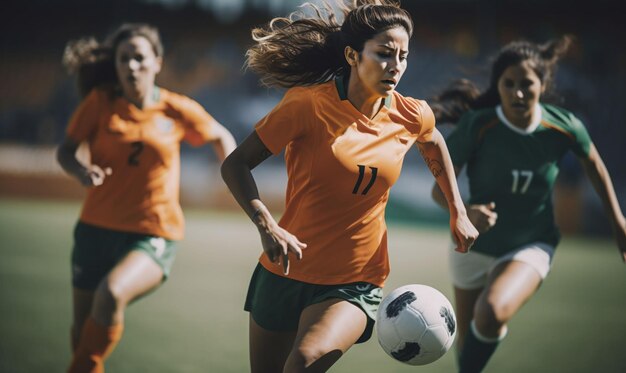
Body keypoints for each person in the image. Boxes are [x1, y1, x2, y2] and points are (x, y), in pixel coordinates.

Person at [220, 1, 478, 372]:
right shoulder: (306, 106)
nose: (396, 66)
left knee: (304, 362)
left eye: (403, 56)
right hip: (284, 270)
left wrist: (459, 211)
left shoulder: (412, 114)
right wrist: (267, 224)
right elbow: (236, 165)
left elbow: (433, 141)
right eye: (385, 54)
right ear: (352, 55)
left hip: (356, 279)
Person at [429, 35, 626, 373]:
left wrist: (619, 223)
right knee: (469, 347)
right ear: (498, 86)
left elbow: (595, 166)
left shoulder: (563, 126)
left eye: (527, 84)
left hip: (531, 242)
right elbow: (439, 192)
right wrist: (464, 213)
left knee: (490, 313)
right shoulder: (478, 125)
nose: (518, 92)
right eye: (509, 84)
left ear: (543, 83)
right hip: (472, 245)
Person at [57, 23, 236, 373]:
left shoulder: (175, 108)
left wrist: (233, 173)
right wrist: (81, 171)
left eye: (139, 58)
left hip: (152, 233)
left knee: (110, 295)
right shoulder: (99, 103)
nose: (131, 66)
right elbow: (66, 151)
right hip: (94, 230)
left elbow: (220, 135)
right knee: (83, 336)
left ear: (157, 62)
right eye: (124, 59)